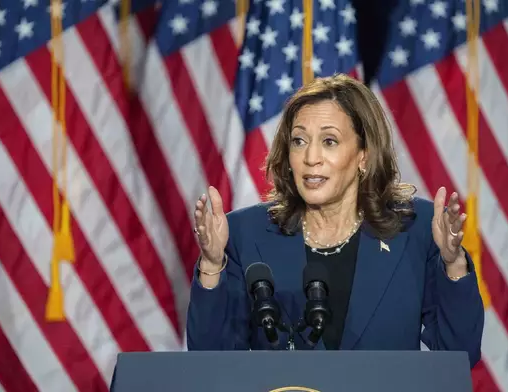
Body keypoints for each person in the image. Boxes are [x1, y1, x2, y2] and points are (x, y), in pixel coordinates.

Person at [186, 74, 484, 368]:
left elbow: (460, 354)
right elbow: (212, 363)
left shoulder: (415, 230)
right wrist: (212, 266)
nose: (311, 157)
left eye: (329, 141)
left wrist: (453, 263)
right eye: (299, 141)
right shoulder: (245, 234)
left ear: (363, 156)